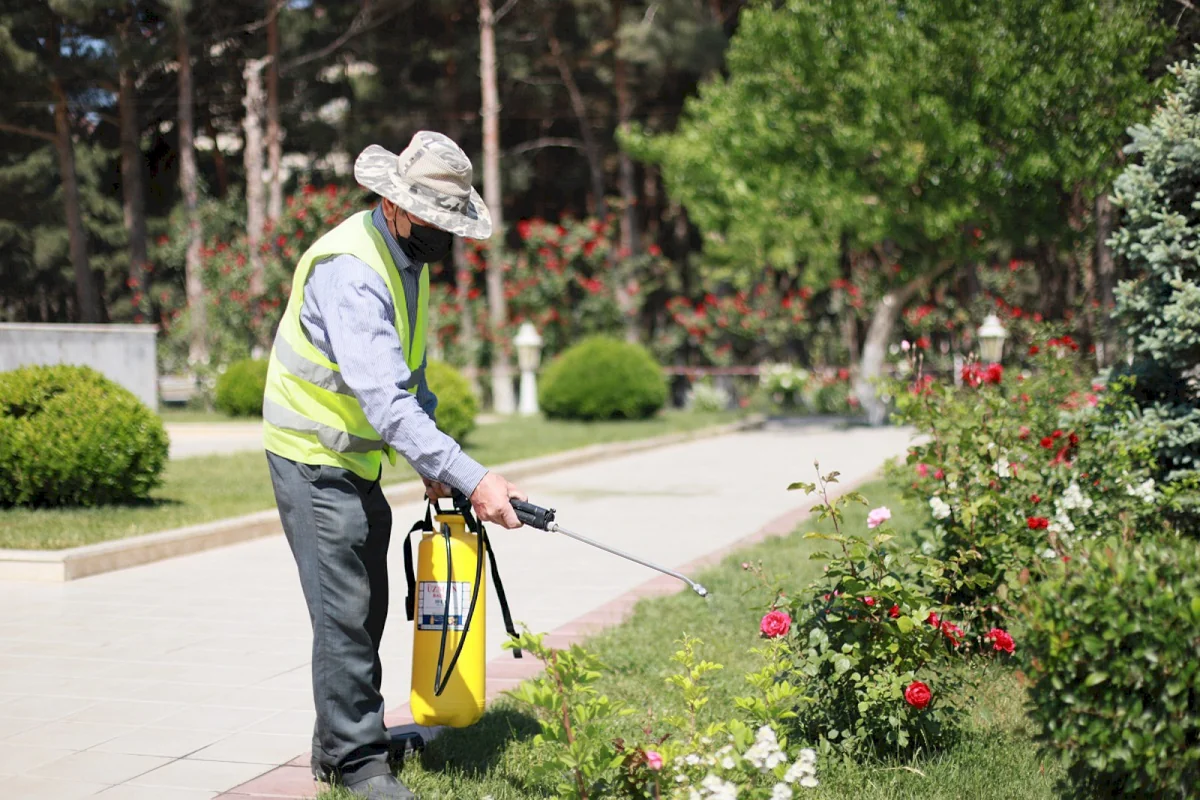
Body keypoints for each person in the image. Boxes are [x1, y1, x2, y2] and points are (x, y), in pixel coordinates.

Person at [262, 131, 525, 800]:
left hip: (354, 458)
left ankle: (344, 741)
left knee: (365, 602)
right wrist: (473, 477)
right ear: (394, 204)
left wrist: (436, 465)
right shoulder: (353, 271)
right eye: (434, 219)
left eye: (450, 222)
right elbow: (384, 400)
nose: (444, 235)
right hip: (311, 455)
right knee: (343, 610)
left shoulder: (406, 260)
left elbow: (410, 375)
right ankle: (357, 762)